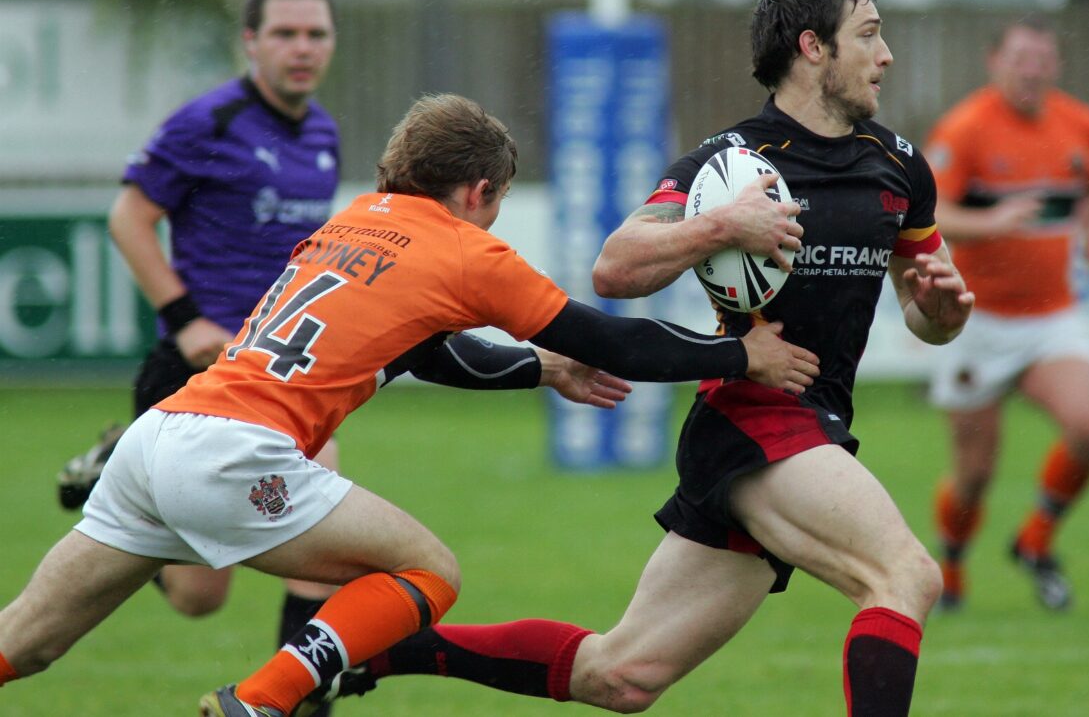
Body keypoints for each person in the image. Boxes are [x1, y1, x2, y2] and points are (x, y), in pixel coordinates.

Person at [0, 93, 818, 717]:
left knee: (26, 642)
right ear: (478, 188)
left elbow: (431, 352)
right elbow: (615, 340)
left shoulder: (353, 221)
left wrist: (542, 372)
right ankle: (262, 700)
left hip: (159, 438)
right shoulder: (465, 248)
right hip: (232, 455)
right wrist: (740, 353)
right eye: (495, 203)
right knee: (430, 570)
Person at [309, 0, 974, 717]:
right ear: (812, 47)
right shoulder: (729, 166)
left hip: (812, 423)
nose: (885, 54)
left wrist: (941, 312)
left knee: (621, 675)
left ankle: (381, 651)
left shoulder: (900, 166)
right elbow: (616, 266)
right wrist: (721, 226)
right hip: (754, 417)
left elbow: (928, 318)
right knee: (904, 577)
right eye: (869, 34)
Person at [54, 0, 349, 688]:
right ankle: (116, 467)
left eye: (315, 34)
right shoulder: (207, 123)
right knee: (198, 597)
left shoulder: (323, 134)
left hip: (284, 373)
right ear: (250, 42)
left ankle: (290, 700)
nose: (301, 48)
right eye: (284, 33)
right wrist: (187, 321)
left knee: (329, 548)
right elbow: (129, 218)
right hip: (200, 370)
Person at [920, 13, 1089, 612]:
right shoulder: (967, 128)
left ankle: (1035, 541)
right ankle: (949, 566)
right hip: (977, 320)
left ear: (1055, 66)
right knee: (974, 475)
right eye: (1020, 59)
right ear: (994, 62)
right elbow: (924, 211)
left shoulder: (1081, 124)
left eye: (1042, 60)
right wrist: (990, 222)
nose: (1031, 71)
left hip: (1052, 315)